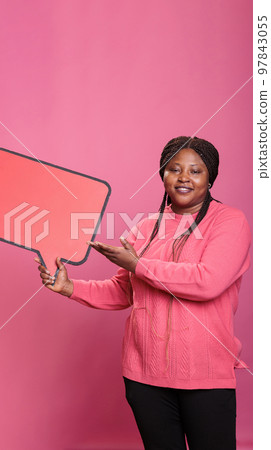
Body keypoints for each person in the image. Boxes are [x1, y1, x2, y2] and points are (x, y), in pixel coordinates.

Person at [35, 136, 251, 450]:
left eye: (195, 170)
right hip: (144, 380)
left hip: (205, 378)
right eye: (174, 169)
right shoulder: (144, 226)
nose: (183, 177)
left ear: (210, 178)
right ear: (162, 174)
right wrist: (70, 287)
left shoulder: (229, 221)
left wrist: (140, 265)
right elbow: (123, 290)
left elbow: (208, 282)